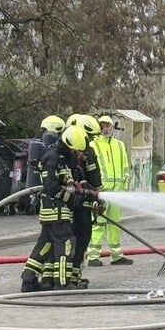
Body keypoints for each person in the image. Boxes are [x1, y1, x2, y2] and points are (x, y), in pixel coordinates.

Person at [20, 125, 96, 292]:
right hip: (55, 209)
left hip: (60, 210)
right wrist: (73, 199)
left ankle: (28, 279)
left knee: (45, 244)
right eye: (77, 151)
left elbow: (74, 180)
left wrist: (87, 193)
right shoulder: (52, 158)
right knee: (67, 242)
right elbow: (50, 188)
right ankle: (62, 282)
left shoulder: (65, 159)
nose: (79, 155)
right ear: (69, 145)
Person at [88, 115, 133, 267]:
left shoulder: (119, 145)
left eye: (108, 126)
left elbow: (126, 167)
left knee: (115, 224)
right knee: (98, 223)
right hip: (101, 191)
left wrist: (125, 187)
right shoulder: (93, 145)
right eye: (102, 126)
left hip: (117, 192)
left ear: (113, 127)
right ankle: (93, 256)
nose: (105, 128)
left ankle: (116, 255)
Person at [67, 114, 103, 288]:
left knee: (83, 239)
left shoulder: (86, 151)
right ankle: (70, 278)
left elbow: (94, 177)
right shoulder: (74, 153)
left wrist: (98, 196)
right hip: (75, 205)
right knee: (76, 240)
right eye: (90, 136)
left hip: (85, 202)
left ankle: (76, 276)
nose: (91, 140)